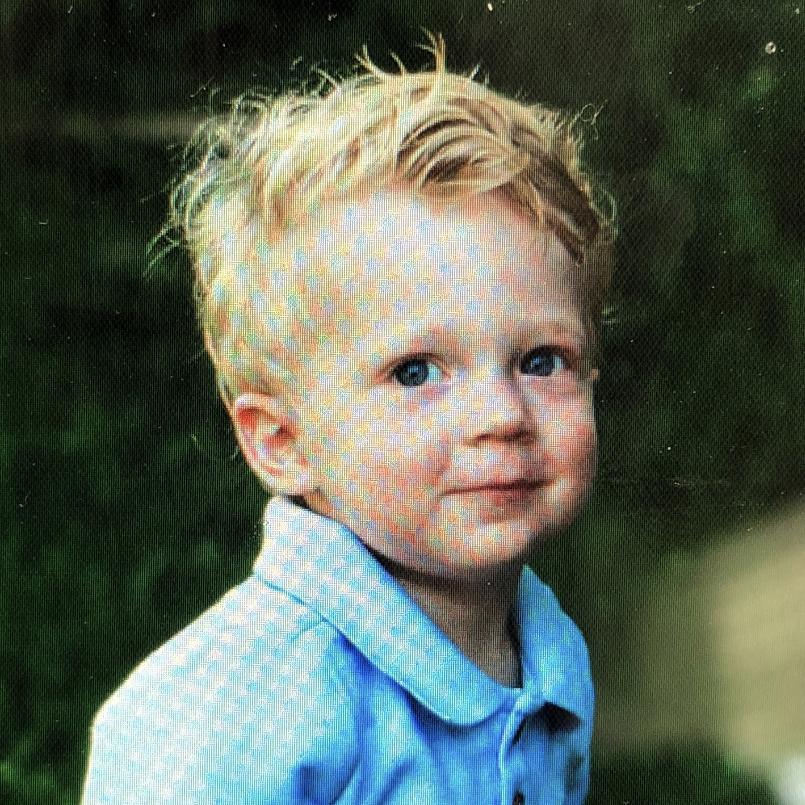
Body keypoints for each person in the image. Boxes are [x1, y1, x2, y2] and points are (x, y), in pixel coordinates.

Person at [81, 30, 615, 804]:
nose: (502, 414)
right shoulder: (242, 709)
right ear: (283, 442)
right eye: (415, 371)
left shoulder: (547, 649)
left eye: (541, 359)